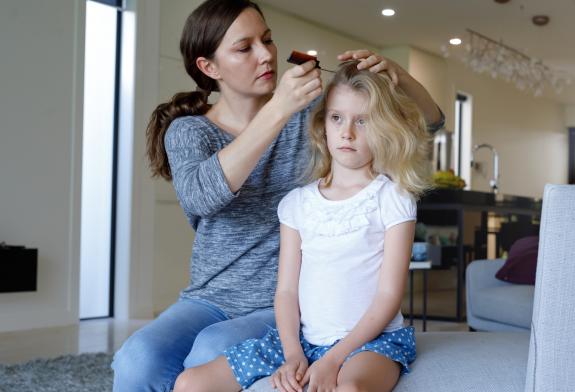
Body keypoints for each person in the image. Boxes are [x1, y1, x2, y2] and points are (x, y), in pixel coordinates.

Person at [111, 0, 443, 390]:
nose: (266, 54)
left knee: (210, 349)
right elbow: (201, 197)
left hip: (282, 302)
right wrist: (277, 111)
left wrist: (398, 75)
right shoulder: (190, 132)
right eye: (244, 47)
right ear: (209, 67)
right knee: (136, 359)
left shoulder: (308, 116)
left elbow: (430, 122)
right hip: (208, 297)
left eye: (266, 39)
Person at [173, 60, 432, 392]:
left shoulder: (393, 198)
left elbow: (388, 296)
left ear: (383, 127)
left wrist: (333, 360)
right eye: (337, 118)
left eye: (363, 121)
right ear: (323, 124)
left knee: (350, 390)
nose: (347, 132)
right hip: (302, 341)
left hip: (370, 344)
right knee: (189, 383)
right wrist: (293, 353)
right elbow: (286, 291)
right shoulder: (296, 204)